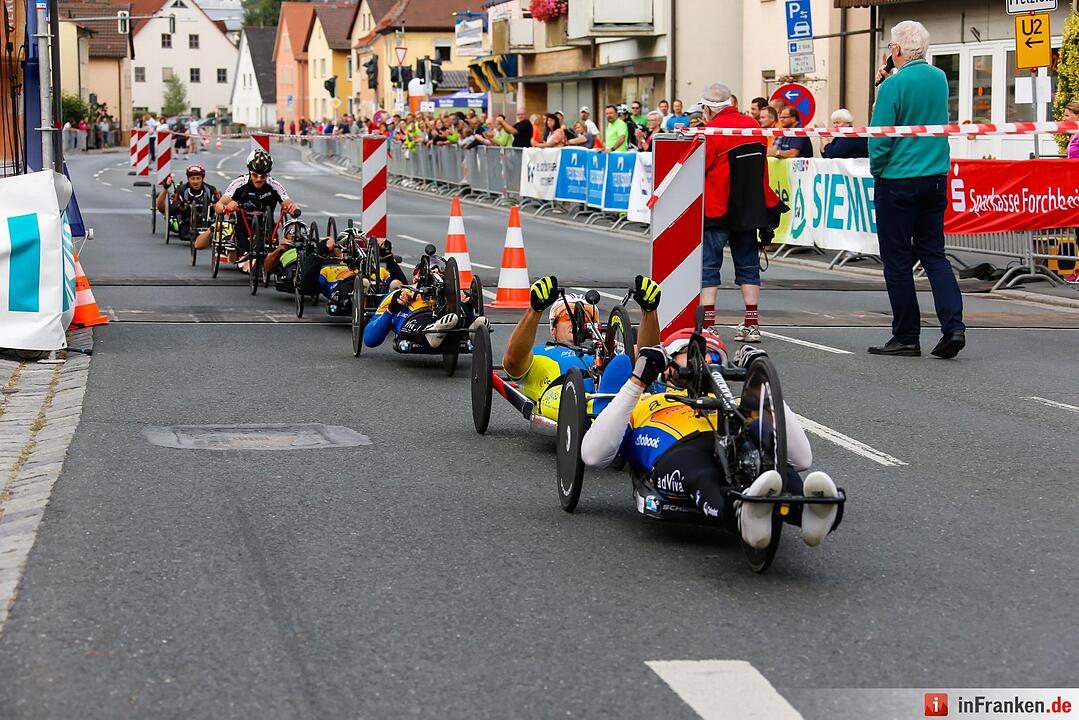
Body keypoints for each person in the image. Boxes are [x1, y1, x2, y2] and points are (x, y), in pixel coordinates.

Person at [579, 338, 841, 550]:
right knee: (699, 471)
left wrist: (764, 385)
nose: (705, 361)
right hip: (676, 451)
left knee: (783, 472)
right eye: (692, 353)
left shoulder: (739, 406)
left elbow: (801, 458)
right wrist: (637, 382)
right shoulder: (646, 400)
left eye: (714, 356)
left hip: (736, 446)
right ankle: (739, 514)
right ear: (669, 365)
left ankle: (810, 514)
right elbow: (593, 455)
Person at [869, 20, 965, 359]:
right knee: (933, 253)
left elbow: (880, 137)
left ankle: (907, 335)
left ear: (895, 50)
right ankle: (953, 326)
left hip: (898, 178)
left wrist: (877, 171)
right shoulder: (939, 78)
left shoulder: (893, 87)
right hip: (935, 174)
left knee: (896, 260)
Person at [501, 275, 663, 422]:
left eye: (588, 317)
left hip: (615, 394)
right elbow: (513, 361)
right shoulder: (539, 353)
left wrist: (649, 311)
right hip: (561, 392)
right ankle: (600, 409)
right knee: (564, 396)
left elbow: (647, 355)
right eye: (566, 316)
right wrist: (534, 310)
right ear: (553, 329)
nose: (577, 321)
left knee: (635, 364)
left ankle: (616, 406)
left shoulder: (611, 353)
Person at [699, 81, 784, 343]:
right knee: (748, 265)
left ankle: (709, 325)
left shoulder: (711, 131)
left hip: (717, 206)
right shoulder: (753, 127)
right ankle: (751, 323)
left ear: (708, 108)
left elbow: (699, 166)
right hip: (749, 208)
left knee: (709, 265)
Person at [363, 251, 486, 351]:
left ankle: (473, 329)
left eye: (439, 274)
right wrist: (392, 309)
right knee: (422, 320)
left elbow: (462, 310)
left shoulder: (451, 295)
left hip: (448, 319)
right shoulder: (399, 293)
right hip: (415, 319)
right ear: (416, 276)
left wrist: (468, 305)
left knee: (458, 315)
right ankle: (431, 331)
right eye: (432, 273)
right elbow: (370, 340)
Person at [212, 150, 298, 271]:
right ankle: (237, 253)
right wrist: (226, 207)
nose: (259, 179)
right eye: (255, 175)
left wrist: (294, 208)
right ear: (249, 171)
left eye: (263, 176)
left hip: (267, 229)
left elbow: (290, 204)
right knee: (249, 261)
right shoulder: (239, 183)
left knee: (275, 262)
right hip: (243, 228)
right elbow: (218, 206)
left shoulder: (274, 185)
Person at [162, 165, 220, 245]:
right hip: (187, 223)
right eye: (192, 179)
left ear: (202, 179)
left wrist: (215, 206)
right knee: (184, 234)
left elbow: (220, 202)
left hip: (208, 223)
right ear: (188, 179)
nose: (195, 181)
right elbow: (172, 208)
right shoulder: (182, 190)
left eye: (198, 178)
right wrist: (181, 207)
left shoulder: (211, 189)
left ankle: (205, 236)